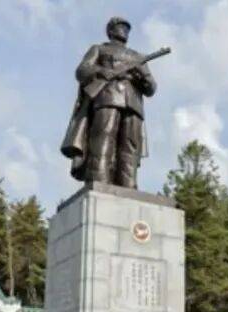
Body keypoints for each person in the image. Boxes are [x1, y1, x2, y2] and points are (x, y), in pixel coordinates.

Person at [62, 17, 157, 188]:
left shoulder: (137, 57)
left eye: (127, 28)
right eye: (121, 27)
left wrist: (144, 75)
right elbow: (82, 71)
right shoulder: (99, 49)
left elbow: (151, 89)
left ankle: (128, 185)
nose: (125, 30)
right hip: (108, 97)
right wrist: (102, 71)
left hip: (133, 104)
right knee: (103, 138)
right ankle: (99, 180)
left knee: (130, 146)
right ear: (111, 30)